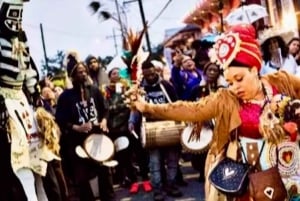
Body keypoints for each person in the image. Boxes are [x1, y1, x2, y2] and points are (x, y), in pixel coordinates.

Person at [126, 24, 300, 201]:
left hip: (289, 166)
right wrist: (147, 107)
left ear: (254, 70)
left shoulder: (280, 82)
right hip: (250, 172)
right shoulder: (226, 98)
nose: (235, 87)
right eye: (230, 81)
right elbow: (191, 110)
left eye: (239, 79)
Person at [0, 0, 62, 200]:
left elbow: (27, 66)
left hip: (21, 100)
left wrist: (34, 92)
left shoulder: (22, 36)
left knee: (35, 149)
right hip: (6, 99)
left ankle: (41, 196)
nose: (16, 22)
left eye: (19, 17)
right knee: (18, 152)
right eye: (12, 16)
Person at [55, 61, 115, 201]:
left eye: (84, 71)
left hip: (97, 137)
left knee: (104, 172)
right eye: (79, 72)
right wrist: (76, 127)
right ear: (72, 76)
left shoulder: (94, 90)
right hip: (77, 141)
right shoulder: (65, 96)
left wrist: (104, 121)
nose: (83, 74)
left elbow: (105, 109)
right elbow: (60, 119)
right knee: (82, 177)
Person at [134, 60, 183, 201]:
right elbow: (135, 108)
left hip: (169, 126)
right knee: (155, 163)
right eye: (146, 75)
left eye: (151, 74)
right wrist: (132, 122)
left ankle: (172, 185)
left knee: (173, 160)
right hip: (151, 130)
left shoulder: (166, 85)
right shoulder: (140, 89)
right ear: (143, 74)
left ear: (156, 71)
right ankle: (158, 190)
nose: (149, 77)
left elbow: (176, 104)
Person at [188, 61, 226, 182]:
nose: (212, 72)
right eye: (209, 70)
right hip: (201, 125)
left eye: (215, 70)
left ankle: (218, 172)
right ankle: (203, 172)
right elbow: (189, 106)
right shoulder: (196, 90)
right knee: (202, 151)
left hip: (219, 125)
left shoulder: (223, 91)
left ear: (219, 74)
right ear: (204, 73)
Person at [103, 67, 137, 188]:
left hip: (126, 125)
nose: (117, 75)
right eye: (114, 73)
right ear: (109, 76)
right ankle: (122, 177)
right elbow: (108, 107)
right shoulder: (106, 90)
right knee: (119, 153)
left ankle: (131, 175)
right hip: (114, 127)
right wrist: (123, 105)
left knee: (128, 152)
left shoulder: (124, 87)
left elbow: (131, 103)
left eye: (118, 73)